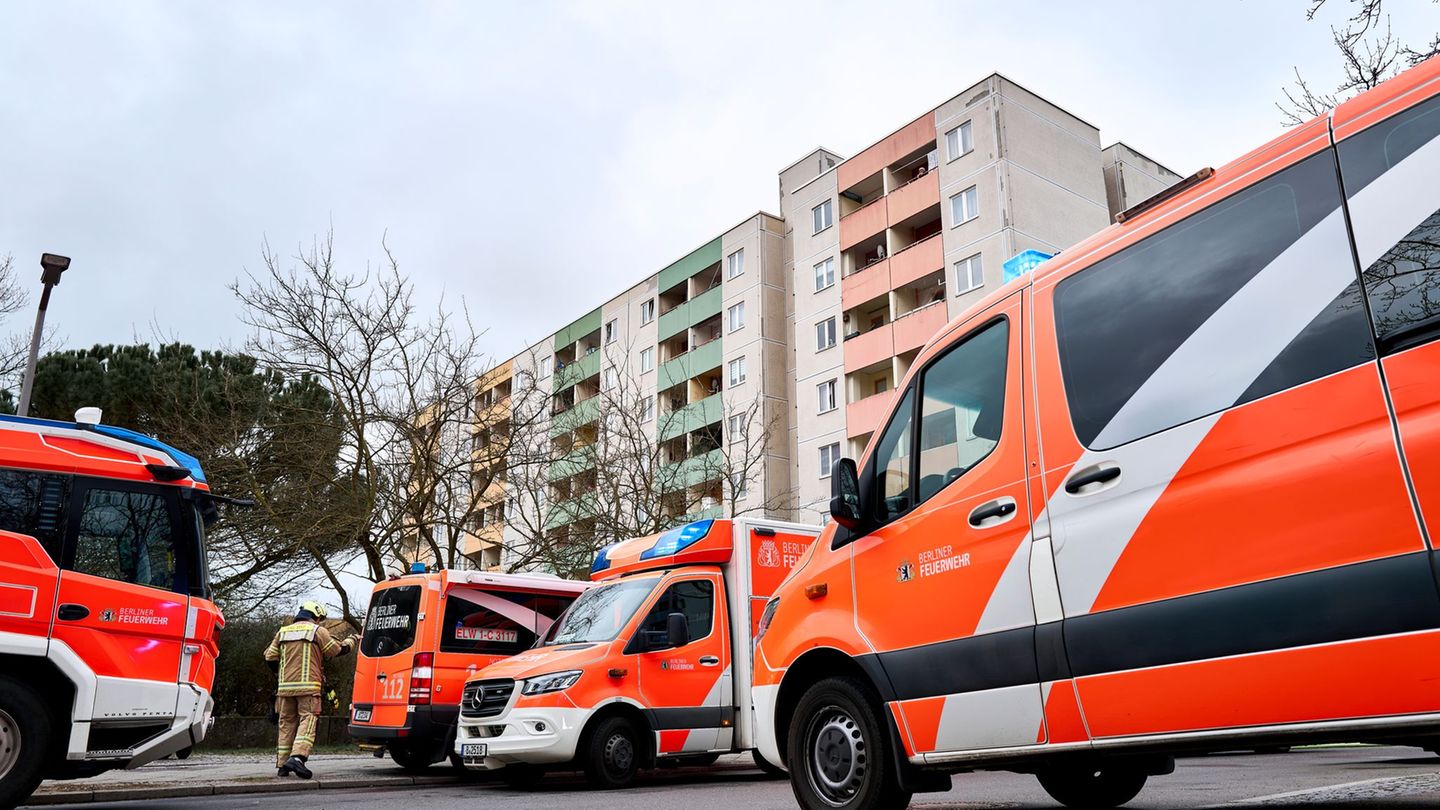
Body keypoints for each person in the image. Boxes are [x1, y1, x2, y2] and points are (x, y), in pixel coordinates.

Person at [263, 600, 354, 779]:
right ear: (316, 615)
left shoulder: (283, 631)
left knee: (286, 724)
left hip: (284, 689)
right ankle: (297, 758)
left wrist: (282, 675)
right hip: (308, 687)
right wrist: (352, 641)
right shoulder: (316, 631)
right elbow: (336, 650)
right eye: (319, 618)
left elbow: (269, 657)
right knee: (308, 719)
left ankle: (283, 765)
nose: (319, 621)